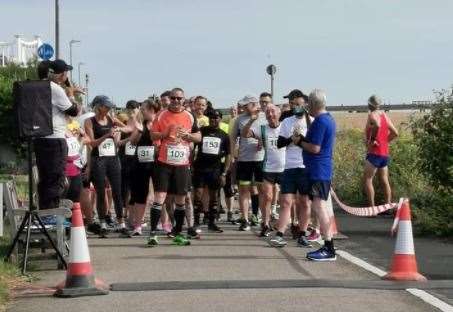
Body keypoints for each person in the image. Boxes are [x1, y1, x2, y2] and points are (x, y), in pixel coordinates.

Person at [148, 87, 201, 247]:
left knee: (181, 200)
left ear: (183, 100)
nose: (176, 101)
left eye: (179, 98)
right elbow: (152, 135)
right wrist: (165, 133)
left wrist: (189, 136)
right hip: (164, 164)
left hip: (182, 164)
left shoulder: (189, 115)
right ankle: (153, 234)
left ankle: (177, 233)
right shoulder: (161, 115)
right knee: (159, 199)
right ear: (169, 99)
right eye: (173, 98)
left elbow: (199, 137)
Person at [34, 59, 80, 210]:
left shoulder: (40, 86)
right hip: (55, 139)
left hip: (40, 137)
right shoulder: (56, 89)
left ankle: (45, 210)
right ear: (62, 75)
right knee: (56, 177)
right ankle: (52, 213)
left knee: (45, 177)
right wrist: (71, 92)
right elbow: (74, 111)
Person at [296, 89, 337, 261]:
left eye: (308, 104)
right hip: (321, 169)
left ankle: (328, 247)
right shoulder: (327, 119)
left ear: (312, 104)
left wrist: (299, 141)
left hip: (318, 170)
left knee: (320, 208)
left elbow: (315, 148)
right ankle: (328, 246)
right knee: (323, 208)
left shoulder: (321, 122)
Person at [269, 90, 312, 247]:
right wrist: (291, 140)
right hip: (289, 166)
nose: (295, 107)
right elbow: (280, 143)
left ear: (305, 104)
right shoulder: (287, 121)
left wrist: (300, 139)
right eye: (293, 105)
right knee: (286, 201)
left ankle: (303, 234)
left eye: (298, 105)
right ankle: (280, 233)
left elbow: (314, 145)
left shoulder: (312, 121)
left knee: (305, 202)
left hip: (305, 166)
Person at [84, 95, 131, 238]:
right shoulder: (89, 121)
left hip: (113, 159)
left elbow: (129, 128)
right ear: (98, 106)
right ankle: (103, 222)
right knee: (100, 192)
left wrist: (120, 131)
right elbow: (91, 143)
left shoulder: (111, 118)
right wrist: (107, 135)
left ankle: (121, 222)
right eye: (106, 106)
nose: (109, 108)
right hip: (98, 159)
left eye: (110, 106)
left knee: (117, 191)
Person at [243, 104, 285, 237]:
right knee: (267, 197)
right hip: (268, 168)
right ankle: (265, 224)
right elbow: (244, 134)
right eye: (267, 112)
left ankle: (290, 224)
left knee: (287, 199)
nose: (270, 114)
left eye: (273, 111)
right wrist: (251, 120)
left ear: (279, 113)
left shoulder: (285, 127)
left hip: (285, 168)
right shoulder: (262, 129)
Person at [192, 110, 231, 233]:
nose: (214, 120)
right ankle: (196, 221)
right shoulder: (202, 131)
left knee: (214, 197)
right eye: (212, 118)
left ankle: (212, 222)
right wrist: (191, 163)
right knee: (198, 195)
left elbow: (229, 155)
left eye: (216, 118)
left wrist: (224, 173)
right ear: (209, 119)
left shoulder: (224, 135)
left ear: (220, 119)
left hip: (215, 169)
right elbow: (193, 147)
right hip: (200, 168)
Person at [232, 95, 266, 231]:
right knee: (244, 190)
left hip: (260, 158)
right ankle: (245, 219)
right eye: (243, 106)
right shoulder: (240, 119)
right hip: (244, 159)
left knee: (261, 190)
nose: (244, 108)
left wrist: (261, 141)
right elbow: (234, 138)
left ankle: (260, 217)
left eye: (246, 105)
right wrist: (233, 157)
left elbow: (270, 135)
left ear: (253, 104)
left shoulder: (264, 116)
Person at [128, 100, 161, 235]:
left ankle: (162, 223)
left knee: (160, 193)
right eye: (141, 109)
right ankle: (138, 225)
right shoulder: (142, 124)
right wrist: (139, 130)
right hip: (141, 163)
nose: (141, 112)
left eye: (143, 109)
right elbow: (132, 141)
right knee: (140, 194)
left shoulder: (160, 123)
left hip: (158, 163)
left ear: (152, 110)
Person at [363, 95, 398, 207]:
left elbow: (377, 125)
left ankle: (372, 208)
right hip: (384, 153)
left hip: (374, 152)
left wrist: (372, 140)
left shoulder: (371, 115)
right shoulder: (384, 116)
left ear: (369, 104)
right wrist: (385, 142)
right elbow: (395, 133)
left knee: (368, 180)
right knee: (384, 180)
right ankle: (387, 206)